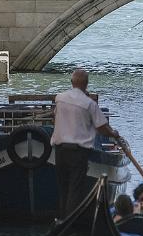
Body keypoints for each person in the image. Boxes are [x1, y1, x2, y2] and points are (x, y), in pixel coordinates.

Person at [51, 69, 121, 218]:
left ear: (72, 83)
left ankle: (62, 219)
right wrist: (114, 134)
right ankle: (69, 222)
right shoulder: (89, 104)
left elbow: (55, 118)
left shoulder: (60, 98)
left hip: (60, 151)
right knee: (75, 189)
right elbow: (102, 128)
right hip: (78, 153)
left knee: (62, 188)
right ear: (86, 84)